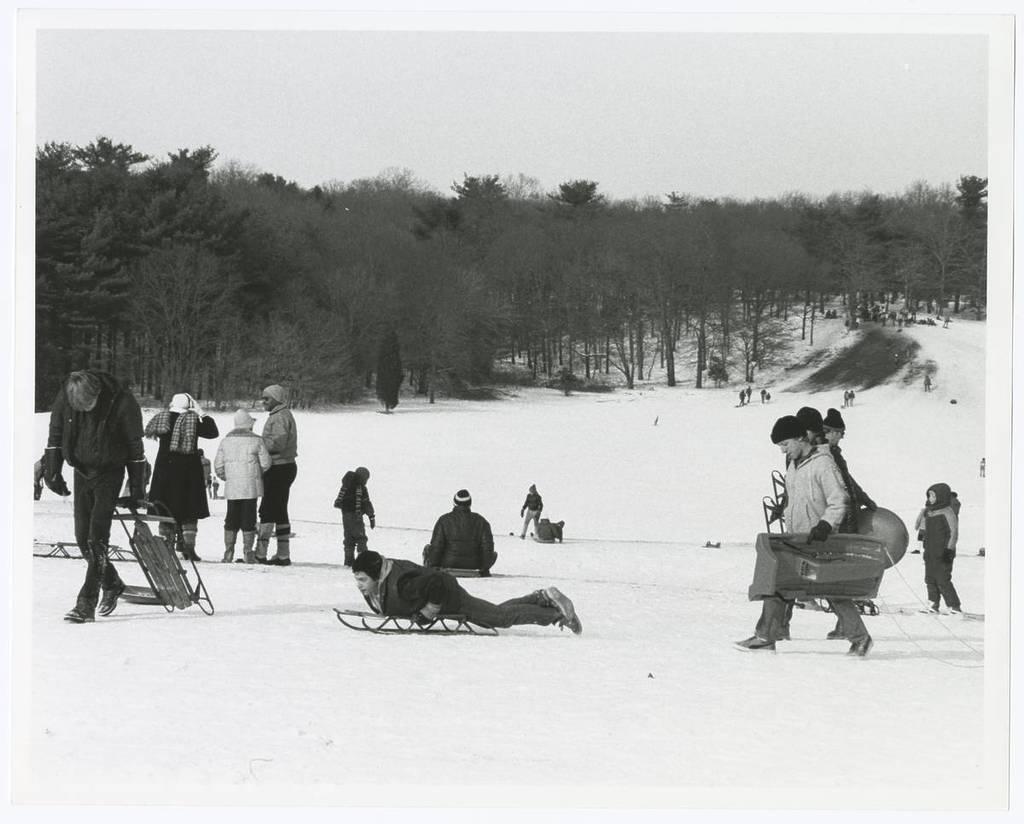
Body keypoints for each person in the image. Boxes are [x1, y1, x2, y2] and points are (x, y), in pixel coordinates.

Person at [736, 415, 873, 656]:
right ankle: (765, 636)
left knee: (831, 591)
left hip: (821, 540)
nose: (783, 451)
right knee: (779, 584)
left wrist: (825, 526)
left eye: (785, 444)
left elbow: (838, 500)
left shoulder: (823, 464)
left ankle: (861, 638)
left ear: (801, 438)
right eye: (780, 447)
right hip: (797, 538)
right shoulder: (793, 465)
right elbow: (794, 498)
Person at [44, 370, 147, 623]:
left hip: (110, 472)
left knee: (96, 538)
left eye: (88, 406)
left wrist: (136, 489)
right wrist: (52, 471)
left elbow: (135, 446)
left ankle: (85, 603)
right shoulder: (68, 395)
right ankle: (112, 584)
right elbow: (55, 435)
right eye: (79, 408)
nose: (85, 411)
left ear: (98, 393)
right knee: (82, 538)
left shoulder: (123, 401)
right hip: (82, 471)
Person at [351, 551, 582, 634]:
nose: (359, 585)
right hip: (447, 593)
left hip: (450, 597)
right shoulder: (382, 580)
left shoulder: (402, 584)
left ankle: (558, 615)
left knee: (499, 618)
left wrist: (429, 611)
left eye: (362, 579)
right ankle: (541, 598)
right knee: (495, 611)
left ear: (376, 575)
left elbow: (437, 583)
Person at [821, 407, 878, 640]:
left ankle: (844, 625)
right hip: (840, 517)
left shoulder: (832, 453)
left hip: (845, 514)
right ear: (832, 432)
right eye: (840, 433)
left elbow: (849, 480)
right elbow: (844, 483)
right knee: (837, 573)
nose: (841, 437)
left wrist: (863, 498)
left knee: (838, 573)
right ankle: (847, 626)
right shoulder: (826, 455)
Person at [145, 392, 219, 561]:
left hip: (165, 469)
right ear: (190, 405)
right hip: (188, 470)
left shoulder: (161, 418)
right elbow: (212, 432)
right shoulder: (192, 421)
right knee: (189, 511)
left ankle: (166, 547)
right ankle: (188, 548)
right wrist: (202, 413)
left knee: (165, 509)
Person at [214, 409, 271, 563]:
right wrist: (256, 475)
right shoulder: (257, 440)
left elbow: (218, 465)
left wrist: (228, 477)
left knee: (231, 517)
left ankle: (228, 552)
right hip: (251, 487)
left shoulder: (225, 441)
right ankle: (248, 552)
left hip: (232, 486)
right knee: (249, 518)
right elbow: (266, 463)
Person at [257, 384, 298, 566]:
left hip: (279, 467)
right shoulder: (280, 415)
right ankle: (283, 554)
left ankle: (261, 552)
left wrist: (259, 443)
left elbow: (278, 443)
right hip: (284, 466)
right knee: (279, 510)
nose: (263, 401)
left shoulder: (280, 417)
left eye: (267, 398)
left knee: (268, 509)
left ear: (276, 399)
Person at [423, 489, 497, 575]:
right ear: (470, 504)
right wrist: (484, 568)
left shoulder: (444, 520)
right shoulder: (481, 521)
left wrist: (433, 566)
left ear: (454, 503)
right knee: (494, 554)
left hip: (448, 563)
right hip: (474, 565)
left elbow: (437, 546)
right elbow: (487, 548)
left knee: (428, 548)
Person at [921, 483, 962, 614]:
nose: (931, 498)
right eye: (929, 495)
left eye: (933, 495)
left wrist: (949, 550)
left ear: (941, 496)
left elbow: (954, 532)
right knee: (930, 579)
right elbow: (927, 532)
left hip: (943, 552)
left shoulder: (948, 512)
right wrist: (925, 546)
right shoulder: (929, 512)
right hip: (931, 552)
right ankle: (933, 604)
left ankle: (954, 607)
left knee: (943, 579)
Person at [333, 466, 375, 567]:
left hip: (345, 516)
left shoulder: (346, 486)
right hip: (356, 517)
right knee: (361, 539)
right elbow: (366, 502)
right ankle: (362, 562)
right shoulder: (361, 488)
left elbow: (339, 502)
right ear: (362, 477)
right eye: (366, 479)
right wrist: (371, 517)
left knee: (349, 539)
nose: (366, 481)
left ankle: (348, 561)